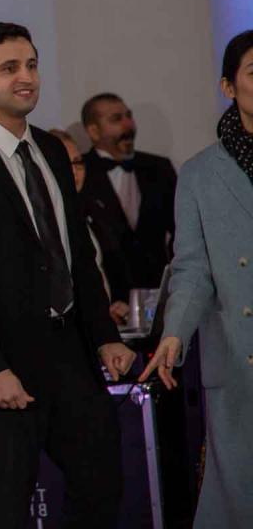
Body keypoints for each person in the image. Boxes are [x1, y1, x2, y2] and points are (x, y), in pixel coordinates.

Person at [0, 23, 135, 529]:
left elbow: (76, 253)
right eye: (9, 68)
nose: (26, 78)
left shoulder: (53, 150)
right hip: (1, 365)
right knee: (6, 510)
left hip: (71, 356)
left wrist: (105, 336)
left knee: (101, 488)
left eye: (31, 65)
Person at [141, 29, 253, 526]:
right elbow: (192, 268)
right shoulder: (200, 174)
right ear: (228, 87)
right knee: (239, 496)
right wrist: (174, 333)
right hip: (238, 353)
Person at [80, 93, 177, 303]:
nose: (128, 125)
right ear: (93, 131)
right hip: (108, 302)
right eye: (116, 119)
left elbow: (181, 230)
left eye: (129, 116)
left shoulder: (159, 168)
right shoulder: (80, 173)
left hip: (160, 297)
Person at [47, 128, 120, 311]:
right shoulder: (44, 221)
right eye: (65, 163)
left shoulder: (91, 210)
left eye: (78, 162)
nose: (74, 171)